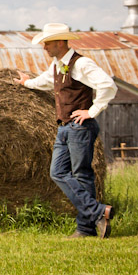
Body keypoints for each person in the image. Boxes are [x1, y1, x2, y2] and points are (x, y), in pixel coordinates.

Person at [16, 23, 118, 238]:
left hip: (80, 127)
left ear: (61, 42)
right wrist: (27, 83)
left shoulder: (80, 63)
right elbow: (44, 82)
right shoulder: (57, 66)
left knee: (82, 175)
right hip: (64, 128)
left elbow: (107, 84)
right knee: (58, 172)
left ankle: (85, 228)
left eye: (48, 43)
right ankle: (98, 213)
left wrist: (92, 111)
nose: (44, 47)